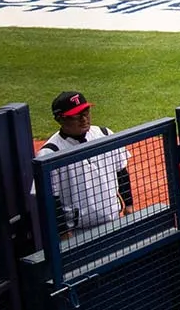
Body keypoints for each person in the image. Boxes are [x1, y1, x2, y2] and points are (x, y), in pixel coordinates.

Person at [37, 91, 132, 237]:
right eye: (76, 115)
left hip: (114, 221)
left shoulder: (105, 134)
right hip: (78, 233)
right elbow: (50, 200)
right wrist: (63, 233)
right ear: (60, 119)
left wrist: (129, 205)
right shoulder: (50, 153)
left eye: (86, 111)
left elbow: (122, 172)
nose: (84, 119)